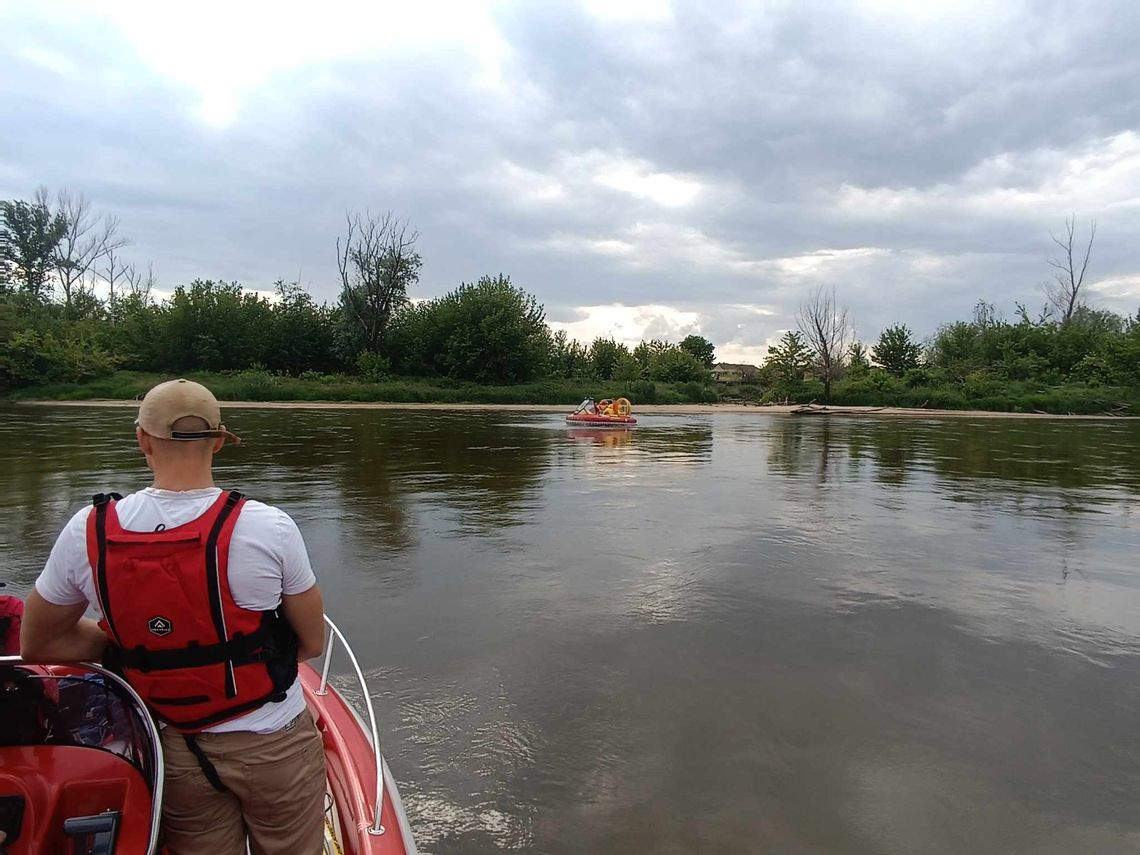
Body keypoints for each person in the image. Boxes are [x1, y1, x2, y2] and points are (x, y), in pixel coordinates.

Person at [20, 378, 328, 855]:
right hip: (272, 741)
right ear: (220, 441)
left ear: (142, 439)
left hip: (172, 742)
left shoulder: (89, 528)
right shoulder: (269, 526)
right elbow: (311, 642)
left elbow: (39, 643)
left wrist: (127, 648)